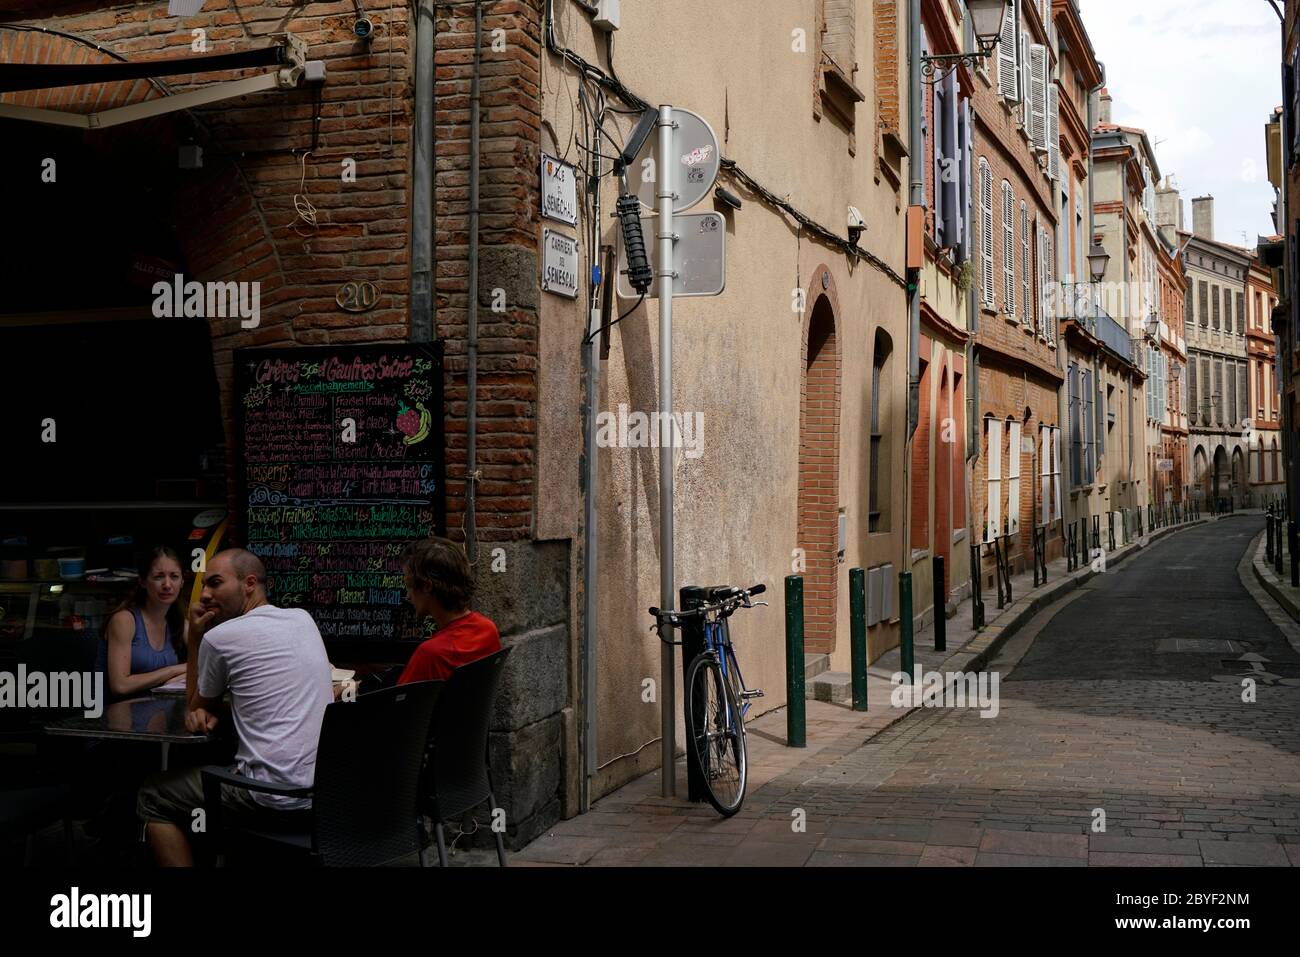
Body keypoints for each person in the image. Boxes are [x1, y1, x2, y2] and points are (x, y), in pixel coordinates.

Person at [136, 548, 332, 867]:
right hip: (321, 790)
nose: (207, 595)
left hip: (268, 796)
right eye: (204, 587)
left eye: (215, 583)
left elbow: (195, 708)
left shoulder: (222, 637)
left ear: (249, 583)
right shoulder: (302, 618)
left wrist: (197, 635)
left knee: (153, 794)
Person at [395, 537, 501, 686]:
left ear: (427, 586)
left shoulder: (431, 655)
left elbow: (397, 707)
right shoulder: (488, 629)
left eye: (409, 585)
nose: (408, 595)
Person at [97, 546, 189, 699]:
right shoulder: (124, 620)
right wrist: (172, 671)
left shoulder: (178, 621)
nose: (167, 585)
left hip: (154, 710)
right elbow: (120, 686)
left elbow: (205, 666)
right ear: (143, 581)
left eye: (174, 576)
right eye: (158, 576)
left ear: (182, 582)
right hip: (112, 714)